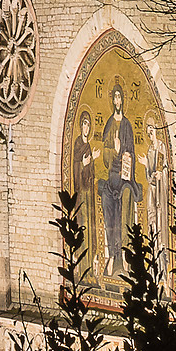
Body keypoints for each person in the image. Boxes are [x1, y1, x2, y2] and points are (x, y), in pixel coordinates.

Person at [98, 80, 141, 272]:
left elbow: (131, 150)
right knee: (107, 202)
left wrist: (125, 154)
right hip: (112, 177)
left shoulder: (127, 125)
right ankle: (111, 255)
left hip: (125, 178)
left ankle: (125, 253)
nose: (117, 99)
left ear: (122, 99)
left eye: (119, 96)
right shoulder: (109, 123)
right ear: (112, 100)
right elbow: (105, 156)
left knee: (126, 198)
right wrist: (113, 150)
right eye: (114, 96)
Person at [73, 109, 100, 275]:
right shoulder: (77, 145)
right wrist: (83, 163)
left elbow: (91, 173)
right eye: (84, 124)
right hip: (81, 196)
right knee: (82, 224)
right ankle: (81, 265)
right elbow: (75, 168)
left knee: (90, 227)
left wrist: (92, 162)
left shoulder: (88, 145)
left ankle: (89, 265)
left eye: (88, 124)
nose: (86, 127)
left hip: (88, 193)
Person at [144, 118, 172, 268]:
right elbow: (149, 175)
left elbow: (164, 167)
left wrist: (162, 174)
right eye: (148, 131)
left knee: (160, 220)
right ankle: (153, 253)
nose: (150, 134)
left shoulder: (161, 147)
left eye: (152, 130)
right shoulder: (149, 150)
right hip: (153, 188)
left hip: (160, 190)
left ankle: (162, 258)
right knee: (152, 218)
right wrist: (146, 166)